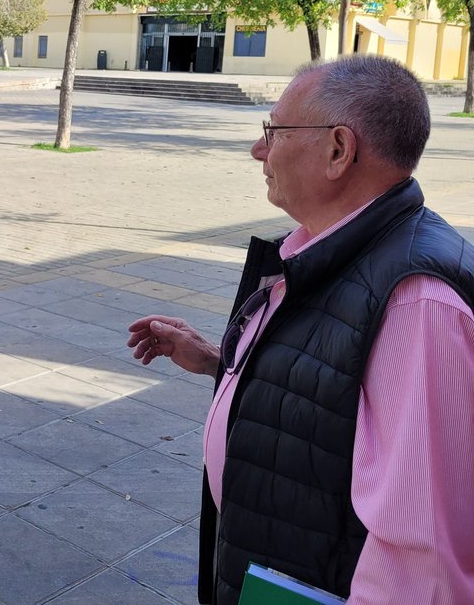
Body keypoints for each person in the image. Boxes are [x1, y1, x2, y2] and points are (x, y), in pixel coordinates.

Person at [126, 54, 474, 604]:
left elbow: (423, 561)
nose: (258, 150)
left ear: (339, 149)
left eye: (274, 131)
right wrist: (224, 364)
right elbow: (342, 401)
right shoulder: (331, 248)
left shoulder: (417, 303)